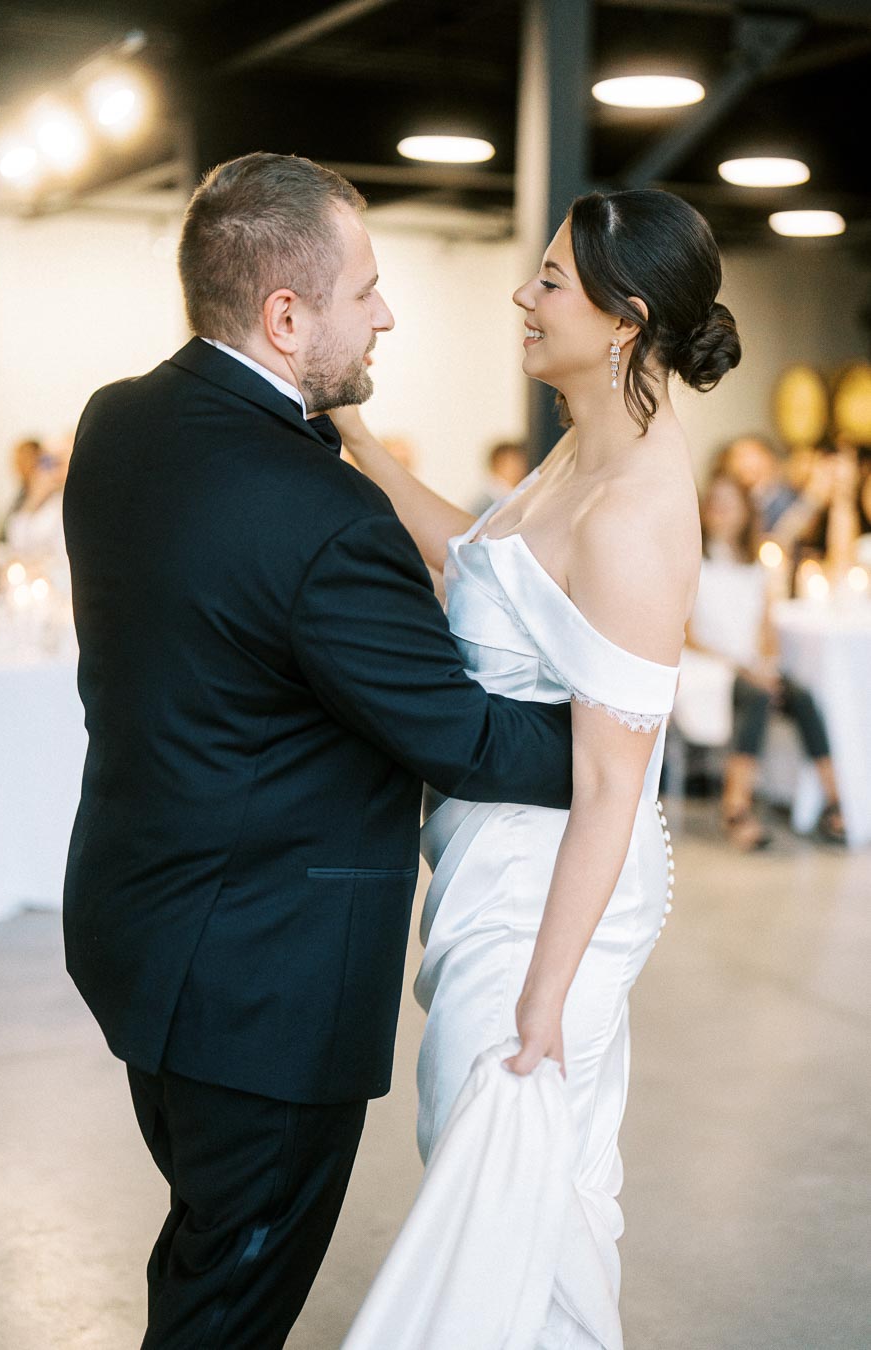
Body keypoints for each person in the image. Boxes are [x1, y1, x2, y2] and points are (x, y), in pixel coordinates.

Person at [62, 152, 576, 1350]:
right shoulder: (326, 517)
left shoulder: (119, 418)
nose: (387, 312)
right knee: (227, 1304)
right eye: (367, 289)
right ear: (286, 316)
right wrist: (618, 739)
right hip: (260, 992)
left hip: (140, 934)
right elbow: (465, 737)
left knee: (204, 1242)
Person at [333, 188, 740, 1349]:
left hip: (548, 891)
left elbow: (615, 782)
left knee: (510, 1180)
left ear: (625, 317)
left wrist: (546, 995)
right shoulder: (581, 451)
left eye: (550, 278)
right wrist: (359, 443)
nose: (524, 294)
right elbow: (482, 563)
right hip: (500, 859)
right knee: (524, 1188)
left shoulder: (632, 511)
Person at [683, 472, 845, 849]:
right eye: (714, 503)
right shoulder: (695, 563)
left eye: (729, 503)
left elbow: (766, 633)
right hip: (706, 666)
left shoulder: (757, 568)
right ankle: (735, 807)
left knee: (801, 695)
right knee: (754, 696)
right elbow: (689, 635)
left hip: (749, 665)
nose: (720, 511)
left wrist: (767, 666)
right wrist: (743, 668)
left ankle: (834, 800)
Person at [469, 438, 530, 516]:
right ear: (497, 465)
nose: (519, 469)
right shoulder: (483, 504)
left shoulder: (515, 494)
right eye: (512, 465)